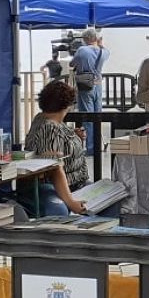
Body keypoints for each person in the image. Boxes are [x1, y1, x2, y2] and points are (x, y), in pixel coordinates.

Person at [22, 81, 91, 216]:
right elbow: (54, 168)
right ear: (68, 105)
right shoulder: (50, 127)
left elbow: (60, 139)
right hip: (57, 187)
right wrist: (71, 202)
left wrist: (75, 137)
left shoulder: (43, 119)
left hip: (76, 184)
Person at [71, 28, 109, 151]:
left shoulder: (82, 50)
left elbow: (72, 64)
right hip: (98, 86)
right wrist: (101, 44)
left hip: (85, 85)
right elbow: (105, 50)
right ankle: (98, 145)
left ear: (86, 39)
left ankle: (91, 147)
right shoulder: (104, 52)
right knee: (97, 115)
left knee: (87, 117)